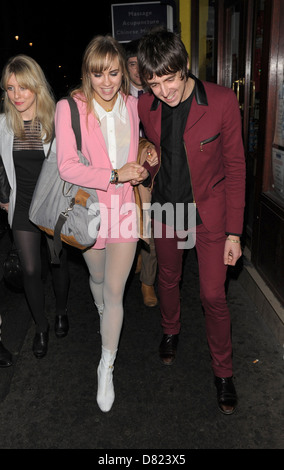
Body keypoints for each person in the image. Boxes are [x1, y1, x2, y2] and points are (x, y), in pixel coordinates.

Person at [137, 29, 246, 415]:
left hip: (209, 211)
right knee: (168, 277)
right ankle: (170, 330)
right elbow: (142, 140)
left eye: (170, 79)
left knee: (213, 294)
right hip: (168, 206)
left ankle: (224, 372)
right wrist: (144, 148)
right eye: (154, 82)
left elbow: (235, 167)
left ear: (185, 67)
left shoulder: (220, 101)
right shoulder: (145, 107)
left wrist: (235, 232)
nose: (164, 91)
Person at [55, 35, 155, 412]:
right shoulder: (71, 108)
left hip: (126, 210)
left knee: (115, 293)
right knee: (96, 281)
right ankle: (103, 316)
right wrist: (113, 174)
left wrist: (147, 149)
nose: (108, 82)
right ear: (88, 74)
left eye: (114, 72)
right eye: (98, 75)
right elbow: (67, 165)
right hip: (91, 210)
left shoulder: (133, 104)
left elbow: (148, 136)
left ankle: (106, 363)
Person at [0, 55, 70, 360]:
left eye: (23, 88)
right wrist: (3, 193)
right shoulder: (3, 124)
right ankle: (41, 326)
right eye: (10, 89)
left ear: (37, 87)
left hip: (53, 206)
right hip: (21, 206)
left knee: (57, 263)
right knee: (30, 268)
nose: (17, 96)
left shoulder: (55, 121)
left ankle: (62, 311)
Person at [124, 39, 158, 307]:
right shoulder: (117, 95)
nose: (137, 70)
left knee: (150, 223)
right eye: (132, 64)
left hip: (151, 169)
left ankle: (148, 281)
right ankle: (133, 257)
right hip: (123, 170)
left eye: (140, 63)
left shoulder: (159, 93)